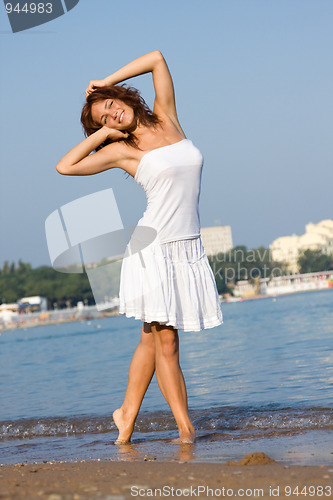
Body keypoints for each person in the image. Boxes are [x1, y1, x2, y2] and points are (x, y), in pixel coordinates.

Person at [56, 50, 223, 444]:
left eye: (111, 106)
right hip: (154, 248)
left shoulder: (168, 117)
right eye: (102, 117)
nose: (112, 115)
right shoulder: (122, 150)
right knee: (167, 340)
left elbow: (157, 59)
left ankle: (126, 417)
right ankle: (186, 430)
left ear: (125, 98)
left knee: (151, 336)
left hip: (186, 247)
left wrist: (103, 82)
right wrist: (102, 135)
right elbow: (65, 166)